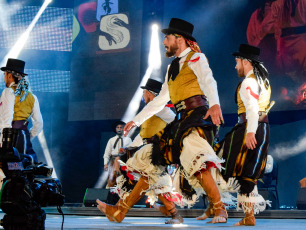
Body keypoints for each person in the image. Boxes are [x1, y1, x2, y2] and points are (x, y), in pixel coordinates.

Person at [97, 18, 227, 224]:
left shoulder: (196, 58)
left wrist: (215, 104)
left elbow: (209, 81)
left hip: (197, 117)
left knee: (196, 158)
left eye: (167, 37)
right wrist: (137, 121)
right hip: (182, 120)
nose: (164, 42)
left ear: (179, 39)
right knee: (150, 160)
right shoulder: (172, 67)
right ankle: (119, 211)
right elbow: (161, 100)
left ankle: (220, 208)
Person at [98, 78, 183, 224]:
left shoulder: (161, 108)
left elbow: (177, 124)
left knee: (147, 180)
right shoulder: (150, 109)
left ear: (150, 93)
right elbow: (143, 134)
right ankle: (175, 215)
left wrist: (173, 148)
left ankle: (119, 210)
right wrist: (130, 147)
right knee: (154, 184)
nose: (143, 96)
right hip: (147, 150)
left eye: (144, 93)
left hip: (156, 152)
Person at [211, 44, 272, 226]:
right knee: (247, 173)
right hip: (262, 128)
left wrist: (250, 132)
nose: (235, 66)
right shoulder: (263, 80)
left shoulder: (249, 82)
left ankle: (221, 208)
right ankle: (249, 216)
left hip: (250, 127)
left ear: (246, 62)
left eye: (237, 62)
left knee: (221, 163)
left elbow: (252, 109)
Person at [0, 58, 43, 163]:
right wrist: (27, 136)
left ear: (9, 75)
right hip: (24, 138)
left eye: (4, 74)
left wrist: (3, 142)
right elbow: (39, 124)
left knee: (8, 173)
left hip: (9, 139)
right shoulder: (32, 97)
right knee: (24, 170)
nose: (4, 78)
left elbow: (6, 120)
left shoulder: (8, 92)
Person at [103, 120, 132, 188]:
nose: (119, 129)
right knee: (112, 179)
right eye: (117, 127)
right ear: (115, 129)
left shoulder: (128, 139)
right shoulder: (111, 140)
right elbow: (107, 153)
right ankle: (110, 195)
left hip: (124, 161)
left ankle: (123, 195)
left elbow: (131, 151)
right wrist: (105, 163)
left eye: (121, 127)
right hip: (113, 161)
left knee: (123, 179)